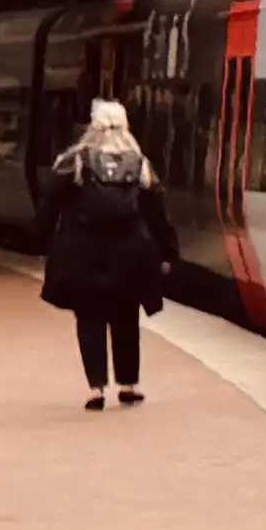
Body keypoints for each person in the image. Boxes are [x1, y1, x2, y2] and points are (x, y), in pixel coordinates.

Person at [40, 97, 177, 409]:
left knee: (90, 320)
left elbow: (49, 205)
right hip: (131, 256)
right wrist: (168, 252)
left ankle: (96, 389)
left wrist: (44, 242)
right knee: (126, 319)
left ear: (93, 125)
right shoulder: (140, 164)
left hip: (83, 255)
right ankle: (128, 384)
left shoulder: (74, 161)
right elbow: (158, 214)